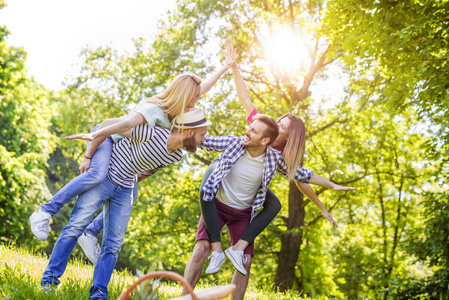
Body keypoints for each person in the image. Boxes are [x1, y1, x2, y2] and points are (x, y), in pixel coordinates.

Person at [29, 44, 238, 241]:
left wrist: (225, 67)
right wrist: (90, 147)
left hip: (124, 148)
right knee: (96, 174)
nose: (197, 100)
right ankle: (44, 211)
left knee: (131, 194)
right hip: (109, 139)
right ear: (184, 95)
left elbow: (205, 88)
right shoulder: (155, 109)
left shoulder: (177, 114)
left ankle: (90, 233)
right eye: (194, 96)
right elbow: (126, 123)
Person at [40, 108, 211, 300]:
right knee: (75, 227)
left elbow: (152, 167)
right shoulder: (153, 133)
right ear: (189, 132)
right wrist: (89, 154)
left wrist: (132, 183)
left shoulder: (177, 155)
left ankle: (98, 294)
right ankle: (49, 282)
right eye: (202, 135)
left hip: (125, 187)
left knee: (112, 245)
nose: (204, 140)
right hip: (106, 176)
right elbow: (107, 128)